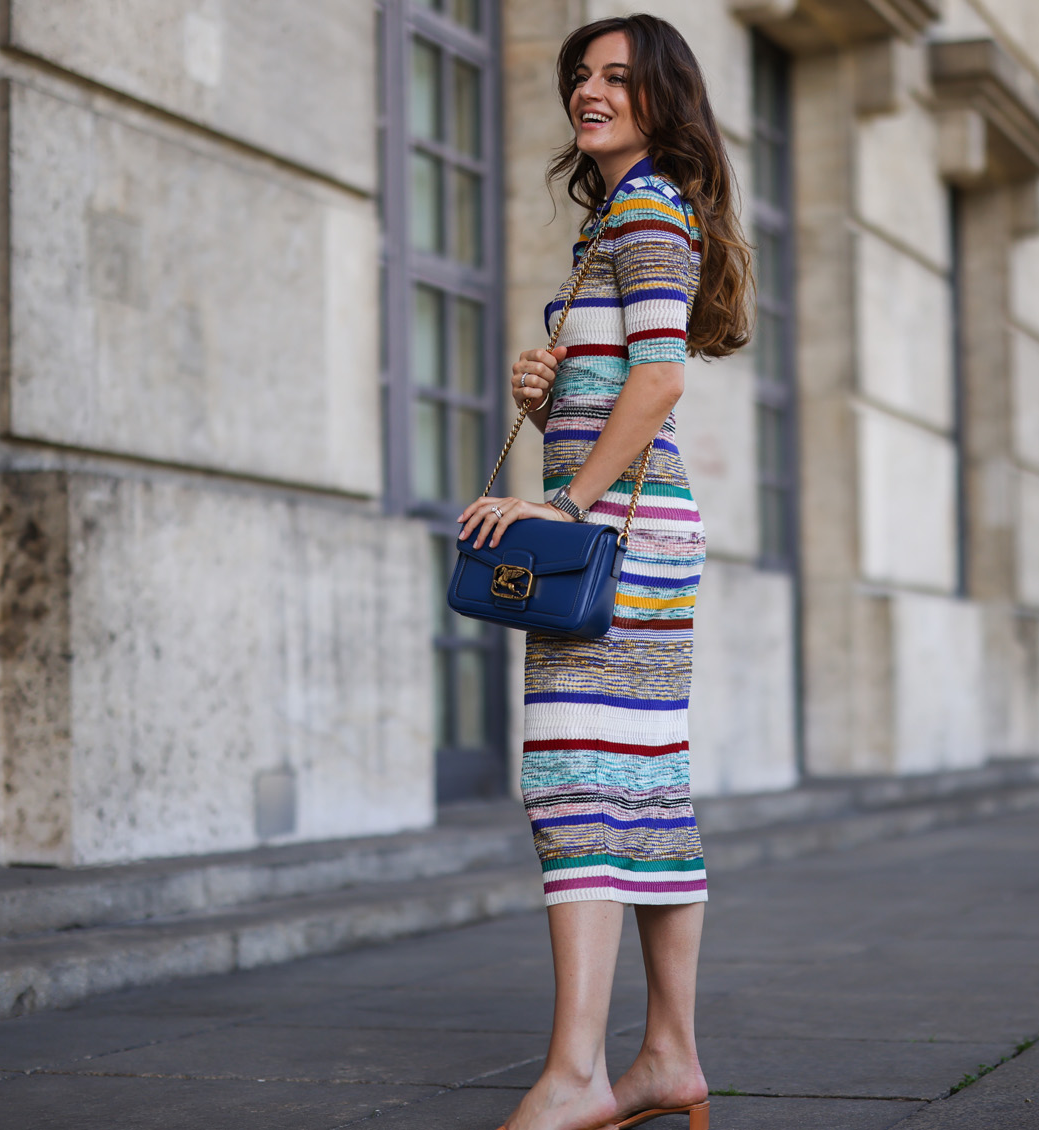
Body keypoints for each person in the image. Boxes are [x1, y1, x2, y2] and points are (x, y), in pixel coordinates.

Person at [455, 13, 751, 1130]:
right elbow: (628, 375)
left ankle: (576, 1071)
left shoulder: (644, 208)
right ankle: (665, 1055)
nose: (589, 90)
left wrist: (561, 501)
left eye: (617, 77)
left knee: (574, 787)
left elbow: (663, 381)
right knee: (642, 789)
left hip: (612, 541)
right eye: (580, 73)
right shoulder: (628, 218)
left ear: (659, 97)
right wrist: (550, 390)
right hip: (642, 537)